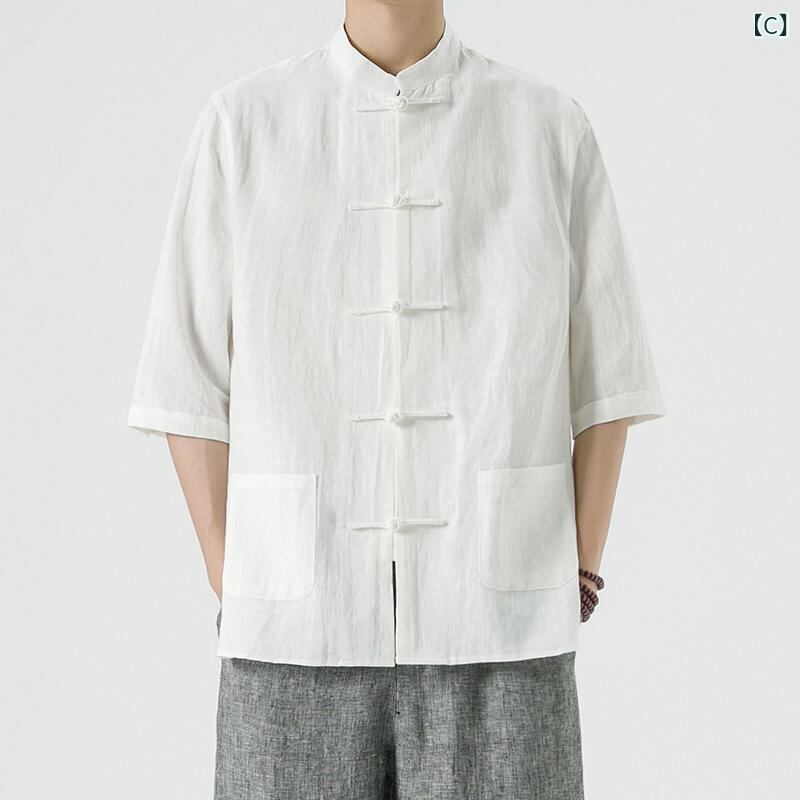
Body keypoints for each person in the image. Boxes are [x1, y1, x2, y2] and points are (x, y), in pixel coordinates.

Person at [127, 1, 665, 797]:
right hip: (293, 632)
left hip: (502, 627)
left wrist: (579, 569)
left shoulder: (548, 127)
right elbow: (186, 377)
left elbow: (608, 375)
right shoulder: (243, 125)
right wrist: (234, 568)